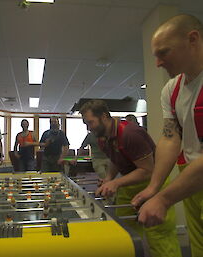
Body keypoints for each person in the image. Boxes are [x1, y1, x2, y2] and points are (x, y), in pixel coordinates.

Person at [131, 14, 203, 257]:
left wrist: (163, 199)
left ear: (192, 39)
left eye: (164, 53)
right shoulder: (171, 90)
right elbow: (171, 138)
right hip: (192, 178)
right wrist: (154, 187)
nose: (158, 63)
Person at [80, 99, 182, 257]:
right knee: (125, 232)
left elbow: (147, 170)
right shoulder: (102, 137)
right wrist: (109, 178)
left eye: (90, 122)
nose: (88, 128)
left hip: (153, 184)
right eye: (86, 123)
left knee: (158, 235)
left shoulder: (129, 133)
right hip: (130, 185)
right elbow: (116, 158)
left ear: (104, 116)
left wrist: (116, 182)